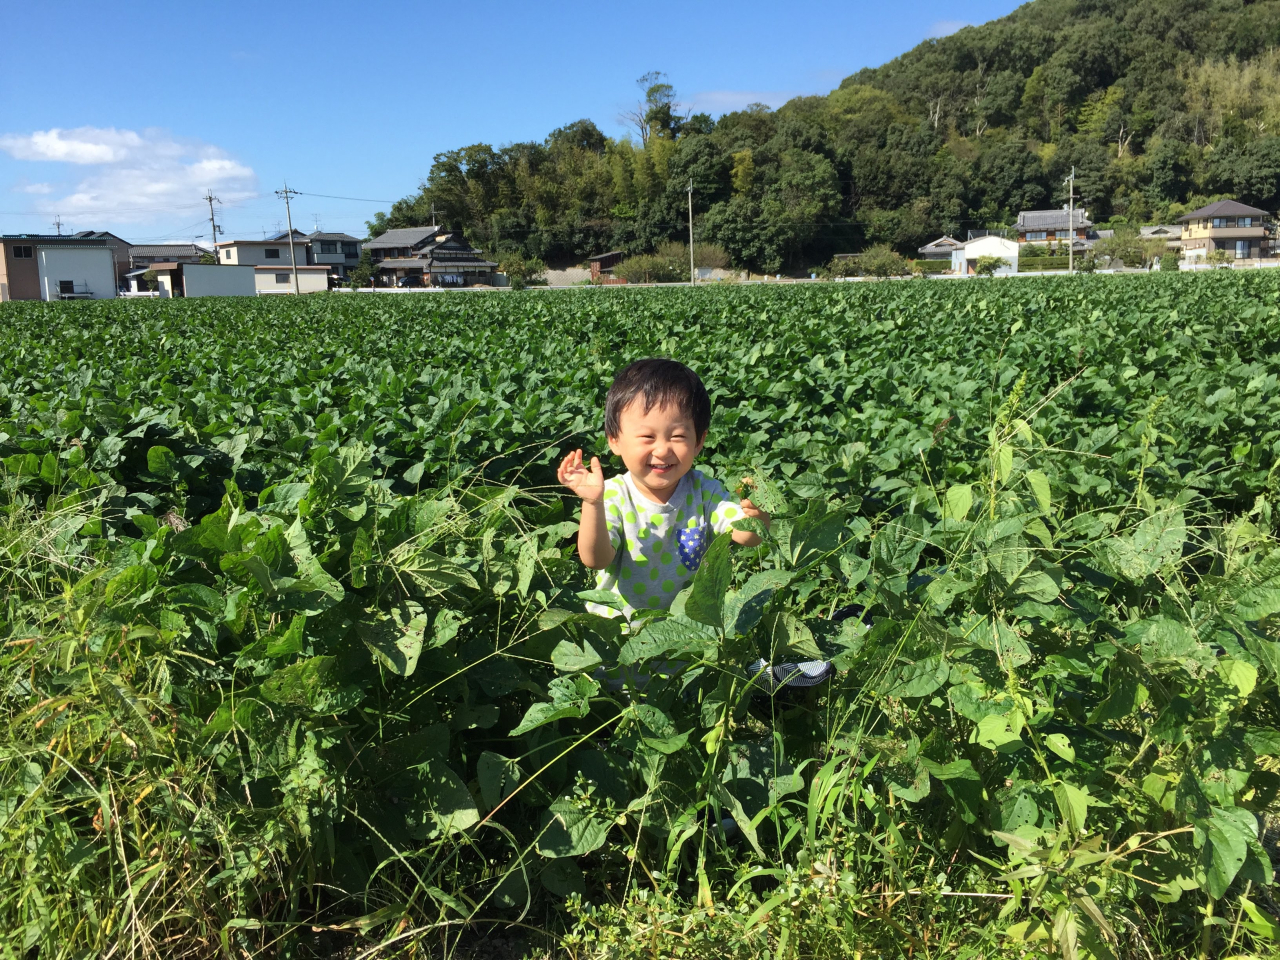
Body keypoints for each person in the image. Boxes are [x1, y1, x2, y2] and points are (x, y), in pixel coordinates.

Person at [557, 358, 767, 621]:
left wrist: (756, 516)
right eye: (647, 436)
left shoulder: (705, 491)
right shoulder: (613, 495)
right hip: (620, 631)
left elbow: (746, 537)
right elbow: (595, 559)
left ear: (699, 442)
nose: (662, 449)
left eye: (677, 436)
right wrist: (591, 503)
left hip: (688, 628)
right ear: (615, 440)